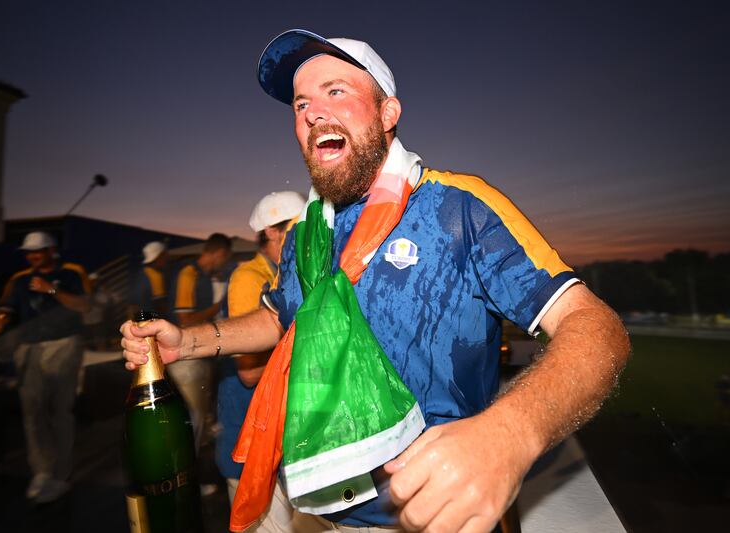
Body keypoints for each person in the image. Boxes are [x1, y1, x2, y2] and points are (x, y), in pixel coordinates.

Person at [122, 29, 630, 533]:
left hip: (425, 513)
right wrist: (187, 341)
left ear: (388, 113)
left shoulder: (457, 207)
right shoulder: (306, 233)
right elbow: (281, 317)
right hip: (314, 497)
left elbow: (596, 327)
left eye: (336, 92)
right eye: (300, 105)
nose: (313, 114)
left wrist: (510, 432)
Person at [216, 191, 312, 531]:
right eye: (297, 226)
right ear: (271, 231)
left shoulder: (288, 272)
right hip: (250, 437)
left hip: (279, 440)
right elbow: (249, 372)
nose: (307, 233)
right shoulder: (249, 277)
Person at [0, 231, 91, 503]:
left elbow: (84, 306)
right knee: (32, 412)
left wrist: (51, 289)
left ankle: (61, 474)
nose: (32, 255)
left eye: (38, 250)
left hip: (63, 345)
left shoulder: (71, 273)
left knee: (59, 410)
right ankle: (42, 472)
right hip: (29, 349)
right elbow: (6, 309)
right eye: (29, 252)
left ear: (51, 250)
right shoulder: (18, 280)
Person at [170, 233, 232, 448]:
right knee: (190, 419)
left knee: (199, 417)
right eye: (225, 257)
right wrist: (218, 307)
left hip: (199, 353)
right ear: (219, 253)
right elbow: (184, 319)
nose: (224, 262)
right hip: (185, 358)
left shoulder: (204, 277)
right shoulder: (188, 274)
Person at [128, 241, 172, 321]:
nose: (168, 258)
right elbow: (160, 304)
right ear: (159, 256)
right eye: (165, 255)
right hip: (150, 318)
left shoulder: (142, 273)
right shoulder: (155, 276)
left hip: (139, 317)